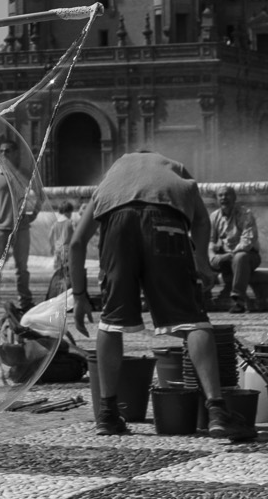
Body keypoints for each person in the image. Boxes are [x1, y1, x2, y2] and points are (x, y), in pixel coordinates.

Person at [69, 150, 232, 438]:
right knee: (193, 319)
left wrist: (80, 296)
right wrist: (203, 265)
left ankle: (107, 414)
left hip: (117, 226)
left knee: (111, 320)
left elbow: (76, 243)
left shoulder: (111, 182)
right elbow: (203, 222)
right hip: (165, 222)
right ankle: (217, 411)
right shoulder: (176, 171)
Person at [0, 143, 44, 314]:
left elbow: (40, 194)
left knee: (22, 268)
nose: (3, 154)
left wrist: (34, 213)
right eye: (2, 151)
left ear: (16, 153)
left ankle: (25, 301)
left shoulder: (25, 173)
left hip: (21, 227)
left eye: (8, 151)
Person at [209, 187, 261, 313]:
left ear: (234, 197)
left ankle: (238, 300)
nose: (223, 198)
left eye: (227, 195)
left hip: (248, 256)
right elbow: (209, 240)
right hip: (225, 257)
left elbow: (247, 242)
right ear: (216, 199)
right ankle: (200, 297)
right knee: (196, 256)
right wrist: (211, 255)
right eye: (220, 195)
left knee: (240, 257)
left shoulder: (245, 214)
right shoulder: (214, 216)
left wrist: (228, 255)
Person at [45, 200, 76, 299]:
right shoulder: (70, 222)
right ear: (67, 212)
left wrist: (51, 247)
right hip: (67, 251)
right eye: (71, 212)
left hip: (58, 251)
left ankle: (58, 293)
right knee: (68, 273)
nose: (71, 215)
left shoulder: (55, 223)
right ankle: (68, 293)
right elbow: (76, 234)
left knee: (59, 273)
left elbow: (50, 236)